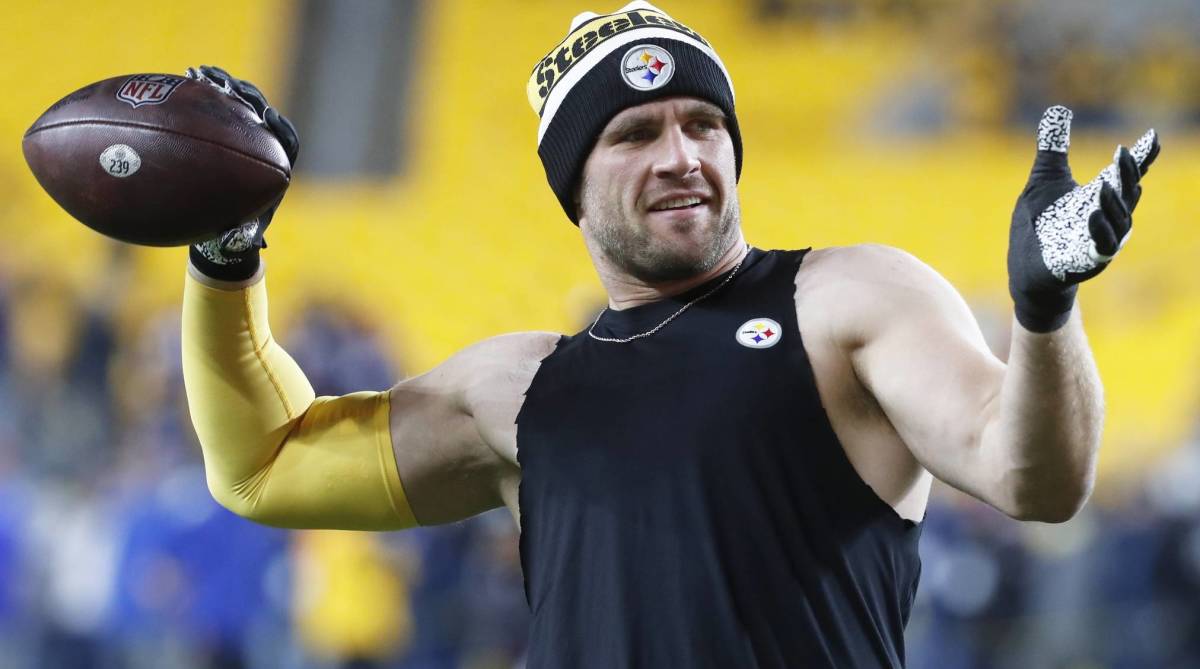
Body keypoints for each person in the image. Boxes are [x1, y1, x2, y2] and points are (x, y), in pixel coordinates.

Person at [179, 2, 1160, 667]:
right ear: (575, 181)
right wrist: (226, 258)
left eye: (704, 123)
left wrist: (1045, 311)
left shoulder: (844, 299)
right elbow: (264, 468)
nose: (684, 155)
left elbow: (1037, 479)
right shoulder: (517, 390)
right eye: (636, 134)